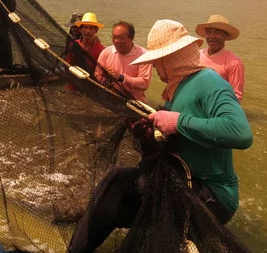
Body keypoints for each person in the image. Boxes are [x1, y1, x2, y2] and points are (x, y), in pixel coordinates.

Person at [69, 19, 252, 252]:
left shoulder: (209, 82)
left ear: (171, 58)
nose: (155, 67)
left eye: (157, 61)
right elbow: (179, 142)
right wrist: (148, 135)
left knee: (142, 215)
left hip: (212, 194)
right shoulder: (176, 89)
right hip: (179, 181)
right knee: (117, 183)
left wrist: (177, 121)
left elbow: (241, 133)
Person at [94, 21, 152, 103]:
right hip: (110, 97)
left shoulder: (144, 55)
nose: (116, 41)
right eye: (114, 37)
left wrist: (121, 78)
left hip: (134, 101)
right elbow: (97, 75)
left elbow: (144, 83)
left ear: (131, 38)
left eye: (120, 38)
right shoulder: (106, 52)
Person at [195, 14, 245, 102]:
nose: (212, 36)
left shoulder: (234, 63)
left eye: (217, 32)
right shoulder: (197, 55)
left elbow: (236, 96)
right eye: (209, 32)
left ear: (225, 35)